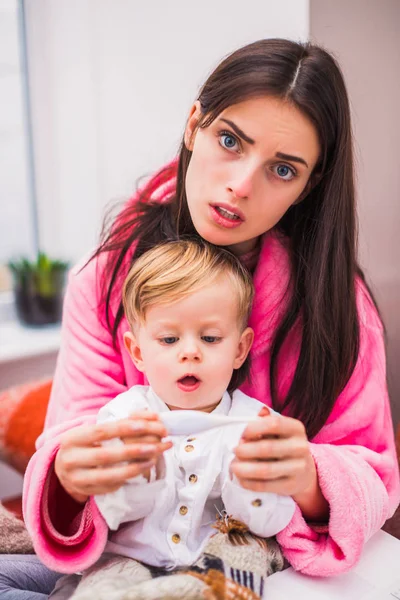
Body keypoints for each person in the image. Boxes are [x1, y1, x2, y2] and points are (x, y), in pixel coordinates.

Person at [2, 37, 398, 598]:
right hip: (120, 547)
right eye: (231, 140)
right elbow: (70, 435)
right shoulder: (109, 277)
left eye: (283, 170)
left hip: (259, 563)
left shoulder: (340, 307)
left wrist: (310, 480)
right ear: (195, 125)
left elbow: (373, 471)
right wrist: (69, 477)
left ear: (308, 187)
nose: (241, 185)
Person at [51, 238, 295, 599]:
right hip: (128, 558)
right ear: (137, 352)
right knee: (100, 585)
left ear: (240, 349)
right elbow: (113, 514)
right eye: (168, 340)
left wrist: (250, 482)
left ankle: (197, 592)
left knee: (248, 553)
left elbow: (269, 522)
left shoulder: (256, 424)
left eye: (210, 338)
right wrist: (138, 476)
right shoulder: (123, 417)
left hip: (217, 554)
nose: (190, 352)